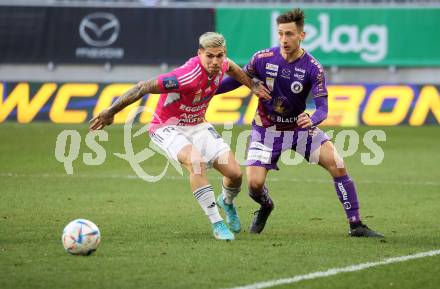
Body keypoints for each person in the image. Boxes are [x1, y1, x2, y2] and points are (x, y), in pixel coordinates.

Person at [217, 9, 383, 237]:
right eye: (280, 34)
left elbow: (323, 108)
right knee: (254, 185)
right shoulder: (262, 58)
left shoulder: (312, 68)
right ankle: (266, 206)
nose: (284, 40)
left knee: (338, 163)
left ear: (302, 35)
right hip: (266, 129)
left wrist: (312, 118)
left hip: (299, 129)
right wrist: (208, 91)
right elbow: (237, 81)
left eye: (290, 34)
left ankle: (356, 224)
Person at [89, 32, 271, 241]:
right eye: (209, 56)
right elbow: (142, 87)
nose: (215, 61)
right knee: (195, 162)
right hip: (167, 127)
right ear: (199, 53)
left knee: (235, 173)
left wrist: (252, 85)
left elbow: (233, 68)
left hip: (198, 124)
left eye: (219, 55)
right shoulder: (184, 76)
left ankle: (226, 202)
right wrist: (110, 111)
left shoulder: (223, 64)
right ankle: (217, 223)